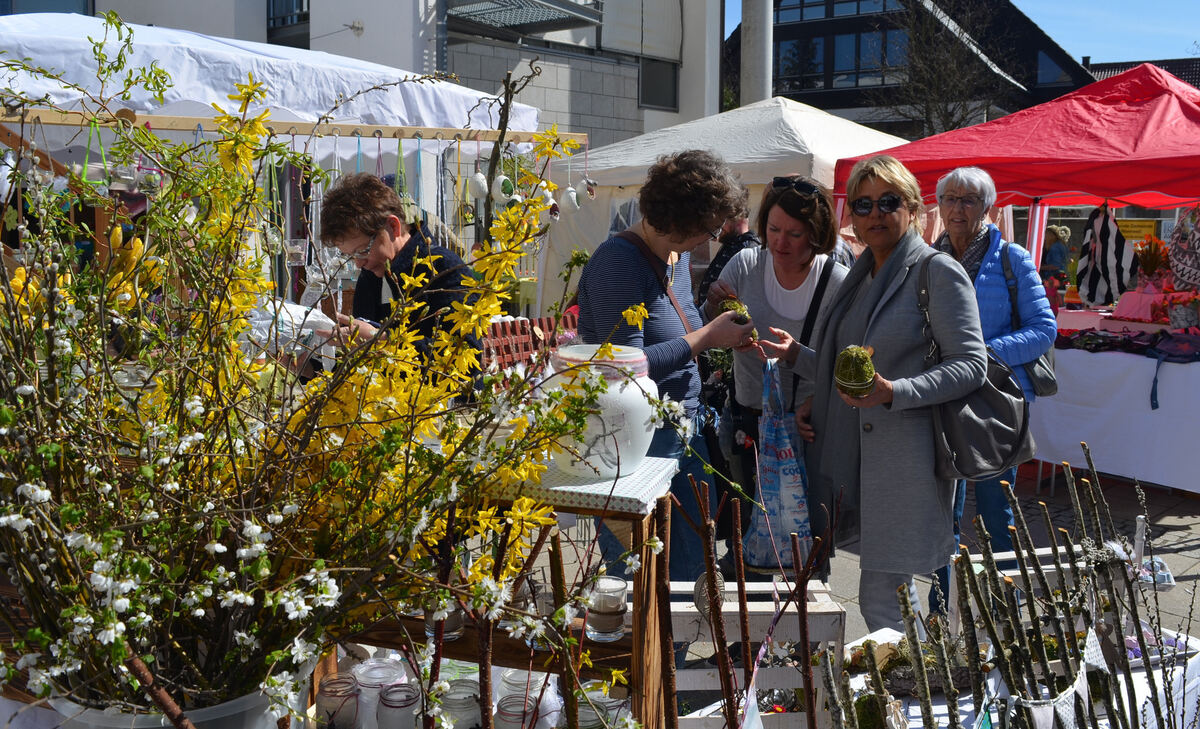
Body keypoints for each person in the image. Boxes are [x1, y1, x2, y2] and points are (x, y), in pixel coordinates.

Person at [759, 155, 986, 632]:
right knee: (889, 597)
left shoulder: (937, 272)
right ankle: (916, 681)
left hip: (904, 462)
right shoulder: (861, 273)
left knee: (884, 598)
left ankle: (914, 693)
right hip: (852, 458)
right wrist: (799, 356)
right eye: (863, 205)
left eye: (888, 202)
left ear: (915, 210)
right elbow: (851, 367)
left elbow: (971, 365)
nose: (874, 214)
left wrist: (893, 391)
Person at [577, 150, 755, 582]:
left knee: (689, 569)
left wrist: (708, 313)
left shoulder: (671, 260)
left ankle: (670, 651)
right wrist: (709, 335)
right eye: (709, 227)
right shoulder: (618, 263)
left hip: (679, 433)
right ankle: (645, 652)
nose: (711, 237)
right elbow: (628, 369)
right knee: (637, 577)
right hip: (635, 446)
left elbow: (668, 334)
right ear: (682, 222)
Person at [701, 175, 848, 571]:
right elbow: (707, 323)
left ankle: (804, 627)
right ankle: (750, 629)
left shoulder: (835, 281)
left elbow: (848, 366)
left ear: (817, 235)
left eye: (795, 233)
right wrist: (720, 319)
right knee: (750, 535)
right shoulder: (747, 263)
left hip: (808, 429)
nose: (781, 242)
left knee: (807, 543)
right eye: (773, 229)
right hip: (748, 421)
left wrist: (797, 356)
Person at [929, 166, 1057, 612]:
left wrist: (983, 352)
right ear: (939, 206)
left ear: (988, 207)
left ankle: (1007, 605)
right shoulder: (929, 259)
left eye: (968, 199)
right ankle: (941, 609)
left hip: (993, 403)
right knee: (942, 511)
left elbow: (1044, 330)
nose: (957, 208)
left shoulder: (1011, 258)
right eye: (949, 198)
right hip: (941, 399)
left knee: (993, 512)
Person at [318, 172, 478, 362]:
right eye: (349, 255)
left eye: (362, 250)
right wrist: (310, 370)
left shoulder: (444, 269)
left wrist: (381, 340)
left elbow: (463, 357)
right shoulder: (370, 277)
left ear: (393, 227)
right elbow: (361, 366)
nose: (358, 263)